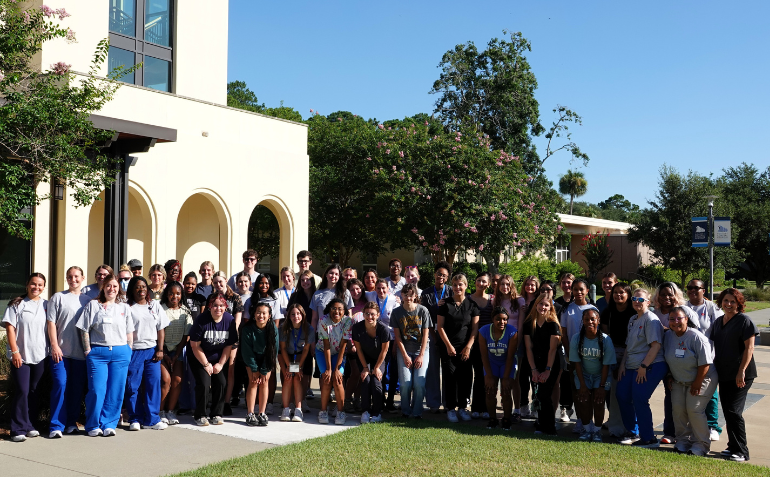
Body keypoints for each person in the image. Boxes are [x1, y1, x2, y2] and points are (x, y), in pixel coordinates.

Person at [76, 274, 134, 437]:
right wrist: (88, 350)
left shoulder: (124, 307)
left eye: (115, 286)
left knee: (116, 390)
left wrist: (129, 350)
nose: (112, 289)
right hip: (98, 353)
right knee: (97, 390)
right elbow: (84, 329)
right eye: (109, 285)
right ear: (103, 287)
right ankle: (93, 424)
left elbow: (130, 332)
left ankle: (109, 423)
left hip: (120, 353)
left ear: (119, 289)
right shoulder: (93, 305)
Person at [709, 288, 758, 462]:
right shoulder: (719, 321)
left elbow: (749, 348)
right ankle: (732, 447)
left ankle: (742, 452)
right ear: (720, 302)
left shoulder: (744, 321)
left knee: (734, 412)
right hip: (724, 373)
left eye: (732, 301)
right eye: (725, 301)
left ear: (739, 303)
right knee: (729, 412)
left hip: (742, 374)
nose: (728, 304)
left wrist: (741, 371)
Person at [616, 288, 668, 447]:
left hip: (650, 365)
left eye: (640, 299)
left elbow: (655, 346)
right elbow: (628, 346)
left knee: (639, 398)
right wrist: (622, 365)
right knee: (622, 395)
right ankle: (632, 431)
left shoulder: (651, 319)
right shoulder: (632, 319)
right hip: (631, 365)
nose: (636, 302)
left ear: (648, 302)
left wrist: (644, 366)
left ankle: (649, 438)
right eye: (634, 299)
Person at [663, 306, 717, 456]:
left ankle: (702, 444)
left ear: (686, 319)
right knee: (678, 409)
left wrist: (698, 382)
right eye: (672, 319)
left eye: (679, 318)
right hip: (679, 380)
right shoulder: (668, 336)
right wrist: (669, 375)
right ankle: (683, 440)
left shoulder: (696, 337)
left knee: (694, 410)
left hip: (703, 378)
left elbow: (706, 363)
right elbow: (668, 357)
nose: (675, 322)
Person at [650, 281, 699, 444]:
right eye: (663, 294)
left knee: (686, 399)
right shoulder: (654, 313)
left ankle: (688, 432)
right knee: (670, 397)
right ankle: (670, 432)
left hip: (683, 361)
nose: (666, 297)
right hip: (661, 360)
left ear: (676, 295)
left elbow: (694, 332)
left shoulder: (684, 311)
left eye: (670, 294)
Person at [3, 273, 48, 442]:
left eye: (40, 285)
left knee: (34, 391)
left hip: (40, 355)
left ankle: (30, 425)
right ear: (27, 285)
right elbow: (10, 328)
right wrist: (15, 352)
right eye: (33, 284)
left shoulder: (47, 305)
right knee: (22, 390)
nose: (36, 287)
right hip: (21, 355)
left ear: (44, 287)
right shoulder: (17, 304)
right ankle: (17, 429)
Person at [47, 266, 91, 438]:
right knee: (60, 384)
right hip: (61, 352)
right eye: (70, 276)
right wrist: (54, 345)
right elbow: (51, 323)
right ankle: (56, 425)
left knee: (76, 388)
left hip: (80, 354)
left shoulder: (88, 300)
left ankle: (71, 423)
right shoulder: (58, 297)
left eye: (76, 276)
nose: (73, 279)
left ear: (83, 278)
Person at [125, 276, 169, 431]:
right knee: (133, 386)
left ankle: (152, 419)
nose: (141, 289)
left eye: (143, 286)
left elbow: (161, 329)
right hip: (134, 351)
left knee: (153, 385)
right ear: (132, 289)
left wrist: (160, 349)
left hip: (152, 351)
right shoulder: (127, 307)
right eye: (137, 287)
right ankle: (135, 418)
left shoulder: (154, 305)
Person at [188, 292, 238, 426]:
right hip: (199, 356)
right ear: (210, 306)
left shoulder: (229, 320)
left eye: (221, 305)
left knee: (221, 382)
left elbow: (229, 345)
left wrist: (221, 364)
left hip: (218, 357)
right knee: (204, 384)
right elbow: (194, 345)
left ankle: (216, 413)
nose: (218, 308)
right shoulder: (201, 319)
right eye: (215, 305)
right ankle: (200, 415)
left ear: (225, 306)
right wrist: (206, 364)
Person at [437, 273, 480, 423]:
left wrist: (468, 347)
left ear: (466, 286)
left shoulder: (472, 305)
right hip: (448, 347)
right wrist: (448, 345)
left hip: (465, 348)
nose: (457, 287)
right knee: (449, 377)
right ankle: (450, 409)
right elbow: (440, 327)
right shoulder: (445, 304)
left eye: (460, 284)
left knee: (466, 377)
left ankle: (462, 407)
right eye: (454, 285)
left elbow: (474, 329)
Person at [686, 278, 724, 441]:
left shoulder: (711, 308)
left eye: (697, 288)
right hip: (687, 357)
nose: (693, 290)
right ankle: (693, 425)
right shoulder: (684, 307)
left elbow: (721, 329)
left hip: (708, 356)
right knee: (690, 392)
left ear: (704, 290)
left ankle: (712, 426)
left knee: (710, 392)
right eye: (689, 288)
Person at [569, 308, 616, 442]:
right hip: (583, 374)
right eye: (586, 319)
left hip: (600, 376)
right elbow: (576, 363)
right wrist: (582, 384)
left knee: (599, 402)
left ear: (598, 321)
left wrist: (601, 386)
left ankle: (596, 431)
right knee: (583, 401)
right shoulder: (577, 338)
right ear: (582, 321)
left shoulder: (606, 340)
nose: (589, 322)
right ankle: (586, 429)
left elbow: (606, 365)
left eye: (592, 319)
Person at [560, 279, 600, 430]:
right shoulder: (566, 309)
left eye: (581, 289)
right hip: (573, 356)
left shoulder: (593, 309)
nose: (578, 292)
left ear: (587, 291)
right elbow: (564, 334)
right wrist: (570, 353)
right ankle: (580, 420)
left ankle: (591, 422)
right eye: (575, 289)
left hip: (591, 355)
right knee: (577, 389)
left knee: (591, 389)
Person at [599, 282, 636, 438]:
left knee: (629, 394)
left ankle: (632, 427)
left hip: (632, 354)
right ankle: (615, 428)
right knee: (614, 393)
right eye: (615, 292)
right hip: (613, 353)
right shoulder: (608, 312)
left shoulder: (634, 312)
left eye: (622, 292)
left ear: (628, 294)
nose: (618, 295)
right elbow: (607, 338)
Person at [523, 294, 563, 436]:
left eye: (546, 305)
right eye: (541, 304)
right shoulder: (529, 324)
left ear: (550, 307)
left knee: (545, 394)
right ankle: (541, 425)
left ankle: (550, 428)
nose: (543, 307)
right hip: (535, 362)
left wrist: (547, 370)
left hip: (551, 363)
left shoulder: (553, 324)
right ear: (536, 305)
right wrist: (533, 369)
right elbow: (529, 348)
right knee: (538, 395)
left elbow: (552, 350)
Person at [392, 283, 431, 419]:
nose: (408, 297)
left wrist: (420, 356)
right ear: (401, 295)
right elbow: (397, 337)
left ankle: (417, 411)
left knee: (419, 384)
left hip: (422, 350)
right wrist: (405, 356)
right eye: (405, 294)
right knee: (405, 384)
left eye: (411, 295)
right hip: (404, 350)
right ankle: (406, 410)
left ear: (415, 296)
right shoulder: (397, 313)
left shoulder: (423, 311)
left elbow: (426, 335)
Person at [159, 281, 193, 425]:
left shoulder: (185, 312)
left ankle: (170, 411)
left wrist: (177, 355)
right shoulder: (161, 309)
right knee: (166, 380)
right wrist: (165, 354)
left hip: (177, 352)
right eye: (171, 293)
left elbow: (186, 336)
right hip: (162, 351)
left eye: (178, 293)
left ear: (181, 295)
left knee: (177, 380)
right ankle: (160, 411)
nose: (174, 296)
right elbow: (157, 333)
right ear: (167, 294)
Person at [493, 274, 526, 421]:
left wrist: (517, 344)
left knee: (514, 378)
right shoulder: (496, 301)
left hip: (515, 342)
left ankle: (517, 410)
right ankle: (502, 406)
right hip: (499, 343)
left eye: (507, 284)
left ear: (511, 285)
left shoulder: (519, 301)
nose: (504, 287)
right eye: (502, 284)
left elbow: (521, 324)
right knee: (500, 376)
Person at [478, 306, 517, 430]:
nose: (502, 322)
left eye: (505, 319)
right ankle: (492, 419)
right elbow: (484, 356)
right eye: (498, 319)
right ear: (492, 320)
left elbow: (510, 357)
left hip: (507, 363)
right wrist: (489, 376)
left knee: (506, 391)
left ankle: (506, 420)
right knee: (490, 391)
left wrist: (506, 378)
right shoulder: (483, 331)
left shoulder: (512, 332)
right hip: (492, 363)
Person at [420, 261, 452, 413]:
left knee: (447, 370)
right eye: (439, 274)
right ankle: (433, 403)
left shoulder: (451, 291)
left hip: (448, 336)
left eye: (444, 275)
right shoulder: (425, 293)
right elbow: (424, 316)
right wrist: (433, 335)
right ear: (434, 274)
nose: (441, 277)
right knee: (432, 369)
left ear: (448, 278)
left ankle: (448, 402)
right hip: (431, 335)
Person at [241, 301, 278, 426]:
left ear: (269, 316)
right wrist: (254, 369)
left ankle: (262, 413)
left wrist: (265, 369)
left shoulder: (273, 328)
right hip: (251, 359)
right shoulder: (247, 329)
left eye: (264, 313)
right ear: (254, 314)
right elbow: (247, 352)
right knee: (253, 382)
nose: (261, 316)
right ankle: (250, 413)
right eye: (258, 313)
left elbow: (273, 350)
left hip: (267, 358)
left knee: (264, 382)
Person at [212, 270, 244, 415]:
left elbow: (237, 321)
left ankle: (226, 401)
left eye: (221, 281)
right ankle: (215, 400)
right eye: (216, 282)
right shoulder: (212, 298)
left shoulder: (235, 298)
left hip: (231, 338)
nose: (218, 284)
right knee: (216, 369)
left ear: (226, 281)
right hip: (214, 338)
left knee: (229, 370)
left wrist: (230, 337)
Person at [316, 298, 353, 425]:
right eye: (333, 308)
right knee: (327, 378)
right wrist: (329, 369)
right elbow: (326, 345)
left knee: (337, 379)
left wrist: (337, 369)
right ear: (329, 310)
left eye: (340, 309)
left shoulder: (348, 321)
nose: (336, 311)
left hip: (339, 353)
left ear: (344, 311)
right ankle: (323, 411)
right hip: (322, 351)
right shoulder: (323, 321)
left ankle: (341, 412)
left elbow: (343, 345)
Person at [353, 302, 390, 423]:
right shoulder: (357, 328)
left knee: (376, 380)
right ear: (363, 314)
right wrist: (365, 368)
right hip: (364, 358)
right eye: (367, 314)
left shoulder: (383, 329)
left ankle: (377, 412)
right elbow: (358, 349)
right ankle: (365, 411)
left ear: (378, 315)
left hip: (380, 359)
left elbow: (384, 351)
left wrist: (377, 368)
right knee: (366, 379)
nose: (370, 317)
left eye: (373, 314)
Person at [366, 277, 399, 411]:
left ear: (388, 289)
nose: (380, 290)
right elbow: (356, 290)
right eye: (378, 288)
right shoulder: (370, 295)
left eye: (383, 288)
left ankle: (390, 400)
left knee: (393, 371)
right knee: (380, 369)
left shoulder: (393, 301)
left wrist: (396, 343)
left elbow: (397, 324)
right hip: (376, 339)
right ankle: (380, 398)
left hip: (391, 339)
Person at [278, 304, 313, 422]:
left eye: (298, 314)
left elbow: (306, 349)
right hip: (285, 355)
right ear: (288, 316)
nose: (295, 316)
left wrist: (298, 367)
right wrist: (288, 366)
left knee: (297, 377)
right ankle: (286, 408)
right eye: (292, 314)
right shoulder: (284, 328)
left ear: (303, 315)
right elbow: (282, 349)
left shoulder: (309, 329)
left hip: (300, 355)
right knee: (288, 377)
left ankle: (298, 409)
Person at [288, 269, 317, 403]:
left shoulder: (316, 295)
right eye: (302, 280)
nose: (305, 282)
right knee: (295, 365)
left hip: (312, 332)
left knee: (307, 366)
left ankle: (304, 394)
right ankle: (294, 398)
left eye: (308, 280)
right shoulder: (295, 296)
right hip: (296, 336)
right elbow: (290, 314)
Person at [468, 272, 493, 420]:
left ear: (488, 284)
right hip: (473, 342)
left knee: (486, 375)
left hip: (490, 343)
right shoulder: (468, 299)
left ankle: (485, 407)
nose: (481, 284)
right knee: (476, 374)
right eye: (478, 281)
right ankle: (475, 407)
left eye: (484, 281)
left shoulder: (493, 300)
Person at [344, 278, 367, 411]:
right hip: (352, 345)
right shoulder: (348, 305)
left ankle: (357, 399)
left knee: (362, 373)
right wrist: (350, 343)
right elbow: (346, 326)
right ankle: (347, 399)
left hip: (365, 345)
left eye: (357, 288)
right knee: (355, 373)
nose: (355, 291)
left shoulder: (367, 302)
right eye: (352, 290)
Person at [310, 263, 354, 331]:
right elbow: (314, 318)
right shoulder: (317, 294)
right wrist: (312, 338)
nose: (333, 276)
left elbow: (349, 316)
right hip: (323, 334)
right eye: (331, 273)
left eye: (336, 274)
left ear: (339, 277)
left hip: (341, 334)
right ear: (326, 275)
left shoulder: (345, 293)